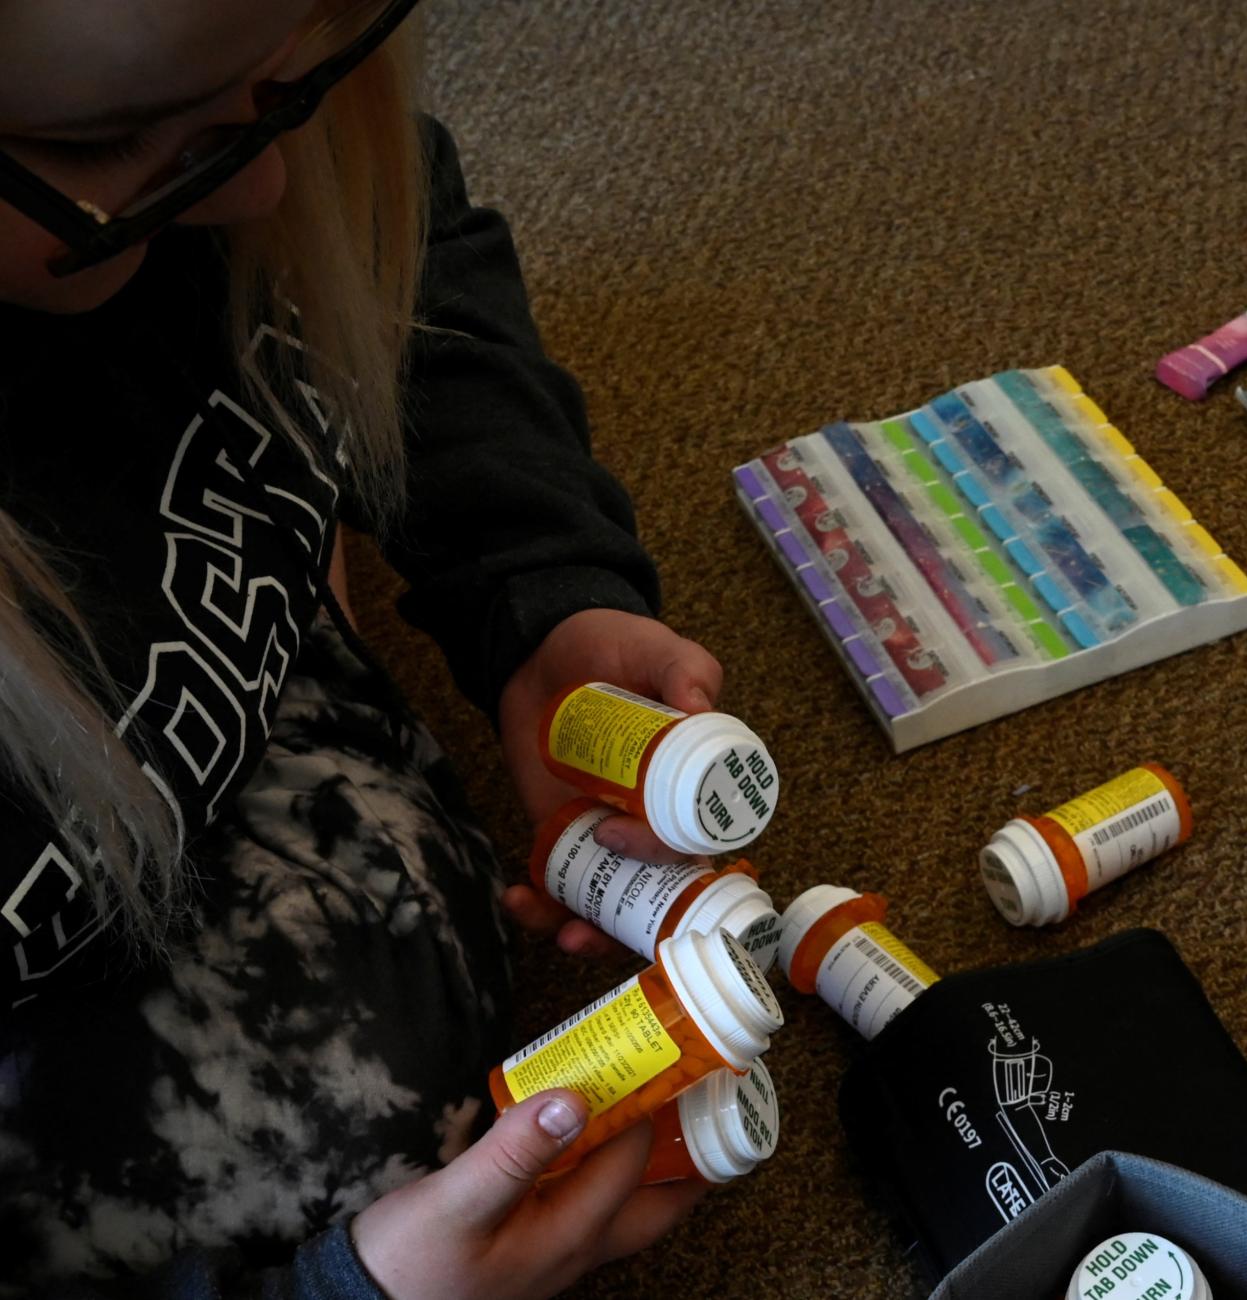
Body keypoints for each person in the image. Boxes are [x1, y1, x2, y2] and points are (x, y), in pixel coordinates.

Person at [0, 1, 723, 1295]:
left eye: (287, 91)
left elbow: (402, 243)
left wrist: (533, 588)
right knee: (350, 1147)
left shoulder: (228, 128)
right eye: (113, 141)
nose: (268, 179)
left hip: (149, 655)